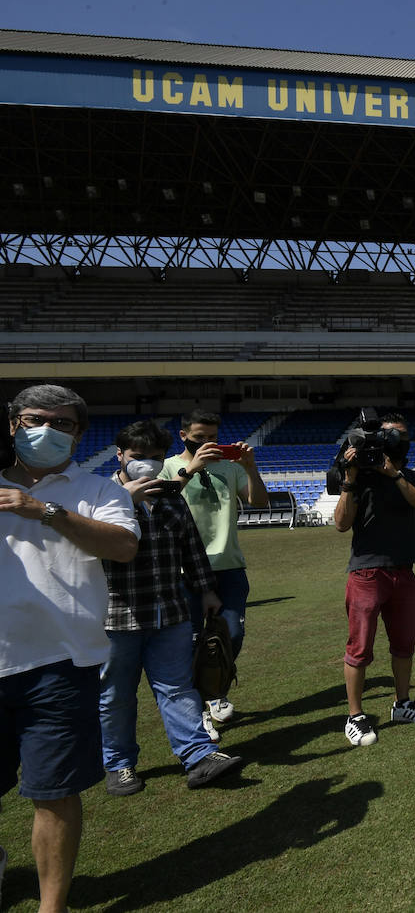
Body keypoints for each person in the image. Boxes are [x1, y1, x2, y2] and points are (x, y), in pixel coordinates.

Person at [1, 384, 139, 913]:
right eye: (37, 419)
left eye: (63, 424)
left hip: (62, 661)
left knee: (53, 791)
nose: (48, 431)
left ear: (81, 433)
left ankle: (51, 907)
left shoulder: (100, 490)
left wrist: (44, 511)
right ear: (13, 424)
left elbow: (124, 547)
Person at [99, 420, 245, 795]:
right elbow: (88, 550)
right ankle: (119, 764)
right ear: (119, 456)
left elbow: (191, 547)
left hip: (170, 610)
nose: (146, 464)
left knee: (178, 688)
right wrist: (123, 505)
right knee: (116, 696)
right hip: (116, 616)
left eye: (153, 457)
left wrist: (207, 591)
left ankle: (198, 756)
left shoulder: (170, 497)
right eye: (137, 457)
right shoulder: (100, 496)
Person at [159, 408, 267, 728]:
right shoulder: (168, 468)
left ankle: (214, 692)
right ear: (183, 436)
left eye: (213, 438)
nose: (208, 444)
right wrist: (191, 469)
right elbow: (160, 505)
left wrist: (249, 467)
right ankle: (197, 709)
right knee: (189, 642)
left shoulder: (230, 468)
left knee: (231, 634)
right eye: (199, 438)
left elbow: (259, 501)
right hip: (183, 570)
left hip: (229, 565)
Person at [333, 412, 415, 746]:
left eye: (401, 436)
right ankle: (355, 716)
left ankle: (402, 703)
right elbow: (341, 523)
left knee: (404, 645)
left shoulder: (412, 475)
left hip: (404, 569)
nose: (394, 442)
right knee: (359, 648)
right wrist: (350, 477)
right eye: (389, 435)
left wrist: (394, 474)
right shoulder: (359, 476)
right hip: (366, 571)